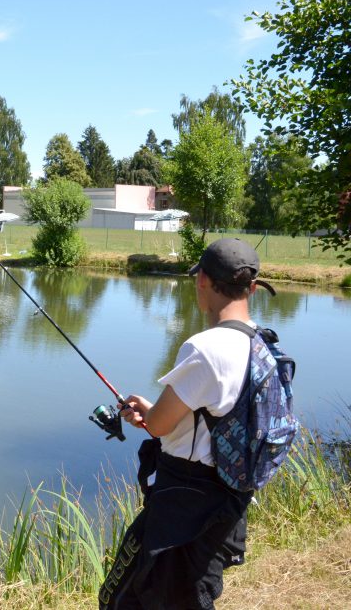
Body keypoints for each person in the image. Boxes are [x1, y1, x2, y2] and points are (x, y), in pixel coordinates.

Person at [99, 238, 277, 610]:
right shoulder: (261, 343)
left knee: (137, 597)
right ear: (253, 288)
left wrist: (148, 416)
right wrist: (154, 412)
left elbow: (160, 426)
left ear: (202, 282)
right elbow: (213, 413)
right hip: (228, 498)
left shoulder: (205, 348)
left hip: (186, 506)